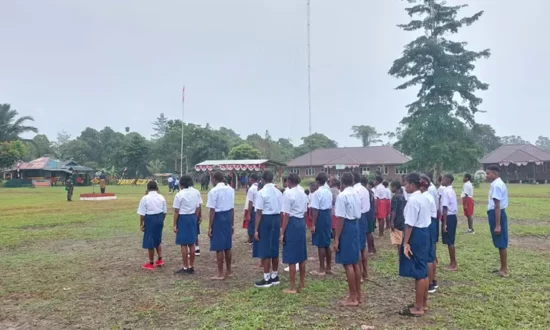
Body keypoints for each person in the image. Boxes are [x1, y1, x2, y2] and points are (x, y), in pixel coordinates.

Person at [399, 173, 431, 317]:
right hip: (424, 232)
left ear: (412, 184)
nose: (405, 187)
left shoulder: (413, 200)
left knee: (419, 272)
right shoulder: (423, 197)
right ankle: (423, 303)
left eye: (406, 184)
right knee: (423, 270)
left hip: (416, 235)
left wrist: (405, 243)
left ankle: (418, 308)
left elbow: (409, 224)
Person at [333, 172, 362, 306]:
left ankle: (352, 297)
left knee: (348, 263)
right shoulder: (356, 193)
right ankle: (357, 294)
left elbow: (340, 219)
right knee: (355, 262)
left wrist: (337, 238)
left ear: (342, 182)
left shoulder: (342, 196)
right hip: (355, 225)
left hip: (347, 228)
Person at [280, 173, 308, 293]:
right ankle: (302, 283)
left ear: (289, 181)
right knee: (301, 254)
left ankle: (292, 286)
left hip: (292, 223)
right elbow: (306, 211)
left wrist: (282, 231)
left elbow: (286, 214)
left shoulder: (288, 193)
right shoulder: (302, 193)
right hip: (301, 221)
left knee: (291, 254)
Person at [254, 170, 283, 288]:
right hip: (276, 219)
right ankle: (274, 276)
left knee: (265, 248)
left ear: (263, 180)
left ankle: (266, 278)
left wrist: (256, 229)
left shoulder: (261, 193)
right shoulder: (278, 192)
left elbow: (259, 212)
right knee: (274, 247)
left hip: (266, 219)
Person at [207, 171, 235, 280]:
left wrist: (210, 226)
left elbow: (212, 210)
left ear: (214, 179)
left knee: (219, 247)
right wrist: (232, 224)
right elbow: (232, 208)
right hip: (228, 216)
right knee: (227, 246)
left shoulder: (213, 191)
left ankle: (220, 273)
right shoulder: (230, 190)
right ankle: (229, 270)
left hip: (218, 217)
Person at [173, 175, 202, 274]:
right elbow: (198, 207)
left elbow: (176, 211)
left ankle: (185, 267)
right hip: (192, 217)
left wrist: (174, 224)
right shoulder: (196, 192)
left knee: (183, 244)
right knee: (192, 243)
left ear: (181, 184)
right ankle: (191, 266)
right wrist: (195, 217)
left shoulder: (179, 194)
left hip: (183, 218)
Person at [137, 180, 167, 270]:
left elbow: (142, 213)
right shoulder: (161, 197)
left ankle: (151, 263)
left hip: (150, 219)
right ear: (157, 188)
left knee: (150, 241)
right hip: (159, 218)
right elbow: (165, 212)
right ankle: (160, 259)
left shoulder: (145, 198)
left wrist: (141, 224)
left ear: (148, 188)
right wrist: (161, 220)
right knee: (157, 239)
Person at [486, 165, 509, 277]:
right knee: (500, 242)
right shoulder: (496, 184)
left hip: (497, 215)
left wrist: (498, 225)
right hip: (496, 214)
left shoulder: (497, 185)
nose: (487, 175)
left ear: (494, 174)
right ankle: (502, 267)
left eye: (488, 173)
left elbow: (497, 206)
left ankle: (504, 269)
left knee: (501, 242)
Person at [310, 172, 334, 277]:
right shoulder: (328, 192)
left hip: (320, 216)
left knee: (320, 243)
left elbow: (315, 210)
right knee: (327, 242)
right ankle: (328, 267)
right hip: (328, 215)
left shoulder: (317, 193)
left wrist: (313, 224)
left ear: (317, 181)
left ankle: (321, 268)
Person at [419, 175, 439, 293]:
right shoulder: (428, 195)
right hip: (432, 223)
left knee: (428, 256)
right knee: (431, 254)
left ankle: (430, 283)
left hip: (428, 224)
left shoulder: (425, 198)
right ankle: (433, 280)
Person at [352, 172, 370, 280]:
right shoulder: (364, 189)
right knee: (363, 246)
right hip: (364, 217)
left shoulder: (354, 191)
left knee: (357, 246)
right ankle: (365, 273)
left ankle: (359, 274)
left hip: (356, 218)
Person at [441, 174, 458, 271]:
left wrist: (445, 223)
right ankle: (452, 262)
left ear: (447, 180)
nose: (441, 181)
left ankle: (453, 263)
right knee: (450, 241)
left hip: (448, 217)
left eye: (443, 179)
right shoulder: (451, 190)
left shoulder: (446, 191)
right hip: (452, 217)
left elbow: (445, 207)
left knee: (450, 241)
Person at [389, 181, 406, 256]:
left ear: (395, 187)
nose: (390, 189)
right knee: (402, 238)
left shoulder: (395, 197)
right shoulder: (403, 196)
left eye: (391, 187)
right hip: (403, 219)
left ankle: (400, 254)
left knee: (398, 241)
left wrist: (392, 221)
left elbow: (394, 210)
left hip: (397, 220)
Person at [245, 174, 259, 244]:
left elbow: (250, 202)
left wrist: (248, 213)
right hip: (260, 209)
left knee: (251, 224)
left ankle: (251, 239)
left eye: (249, 178)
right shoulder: (260, 186)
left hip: (254, 208)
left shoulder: (252, 189)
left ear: (252, 179)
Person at [363, 177, 376, 254]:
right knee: (369, 231)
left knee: (368, 232)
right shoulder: (370, 191)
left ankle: (370, 249)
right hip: (371, 213)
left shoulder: (365, 191)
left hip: (367, 213)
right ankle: (373, 248)